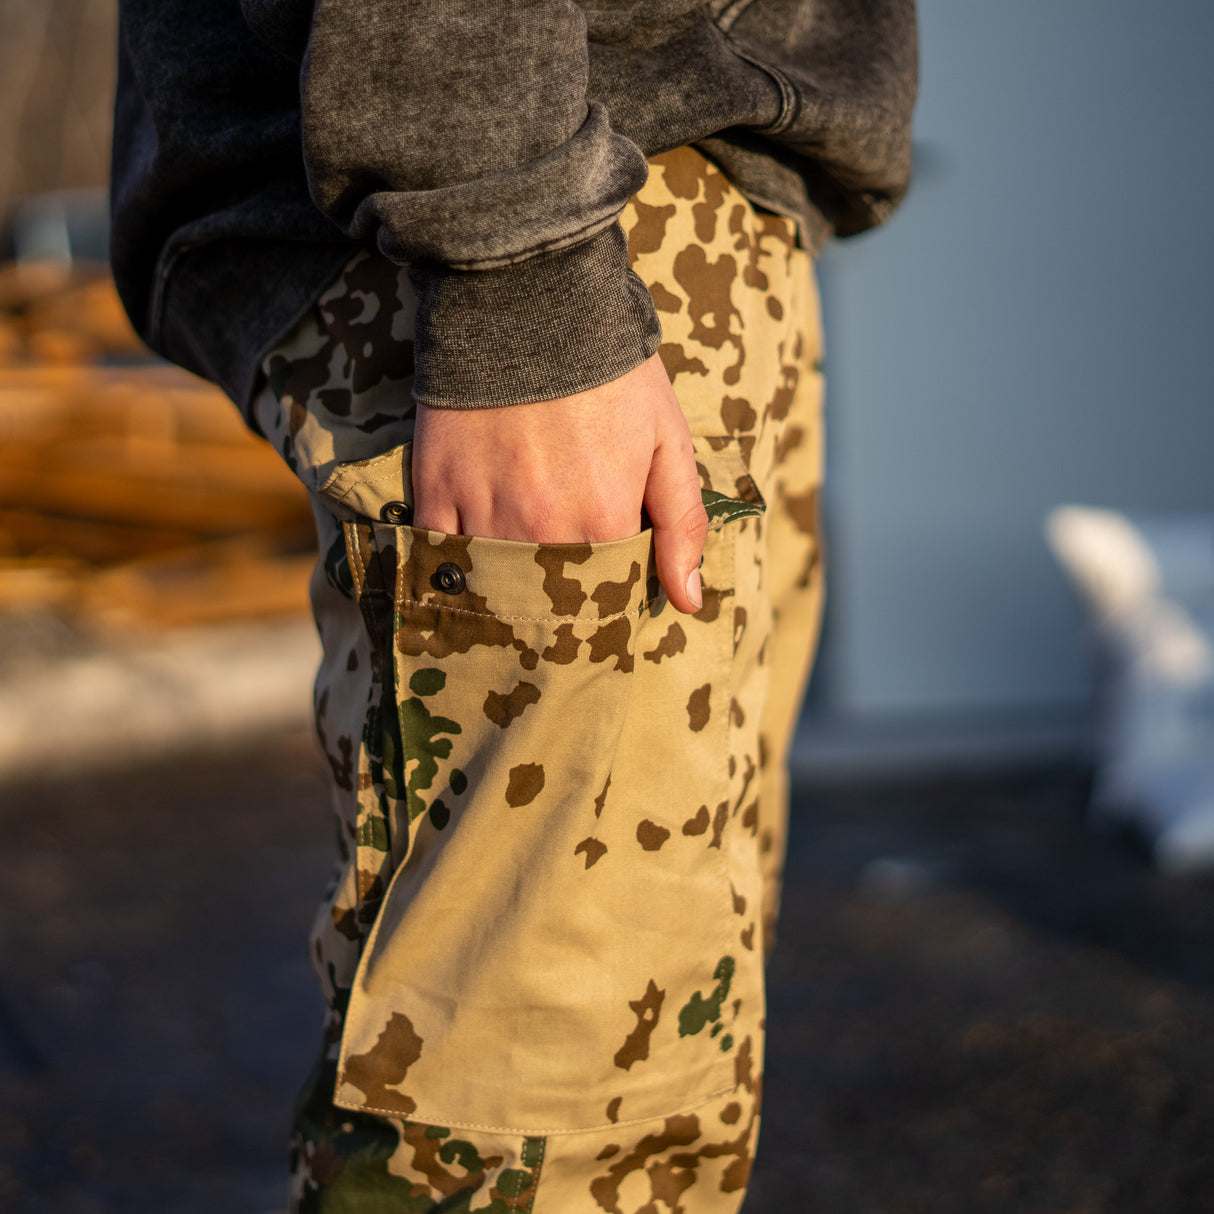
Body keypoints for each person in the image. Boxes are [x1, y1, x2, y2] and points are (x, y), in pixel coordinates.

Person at [111, 2, 917, 1210]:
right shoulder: (523, 237)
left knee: (662, 1083)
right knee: (544, 1137)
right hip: (558, 210)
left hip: (687, 198)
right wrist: (514, 264)